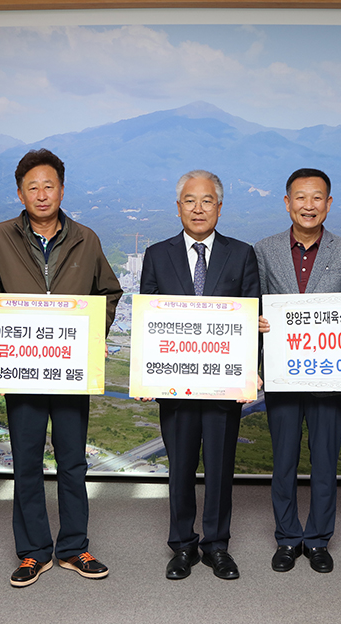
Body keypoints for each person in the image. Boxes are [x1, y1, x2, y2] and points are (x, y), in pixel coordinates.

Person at [0, 148, 123, 586]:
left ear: (62, 189)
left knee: (72, 462)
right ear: (20, 193)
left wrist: (90, 337)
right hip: (22, 371)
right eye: (32, 188)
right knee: (24, 461)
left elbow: (109, 293)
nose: (42, 194)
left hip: (69, 370)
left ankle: (74, 548)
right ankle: (33, 552)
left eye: (49, 185)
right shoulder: (0, 238)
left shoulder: (86, 238)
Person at [139, 170, 260, 580]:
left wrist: (249, 374)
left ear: (220, 208)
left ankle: (217, 545)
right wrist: (144, 375)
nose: (198, 208)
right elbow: (149, 323)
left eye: (207, 200)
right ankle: (182, 546)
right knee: (180, 470)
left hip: (224, 387)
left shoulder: (242, 254)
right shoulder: (157, 255)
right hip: (175, 388)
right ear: (178, 207)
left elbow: (250, 318)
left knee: (221, 469)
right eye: (190, 200)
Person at [255, 168, 341, 574]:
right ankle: (287, 538)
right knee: (282, 461)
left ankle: (317, 539)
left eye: (317, 198)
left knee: (325, 462)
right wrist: (259, 319)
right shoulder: (263, 249)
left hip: (329, 375)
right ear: (287, 203)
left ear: (329, 204)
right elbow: (253, 303)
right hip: (282, 373)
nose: (308, 205)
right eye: (300, 198)